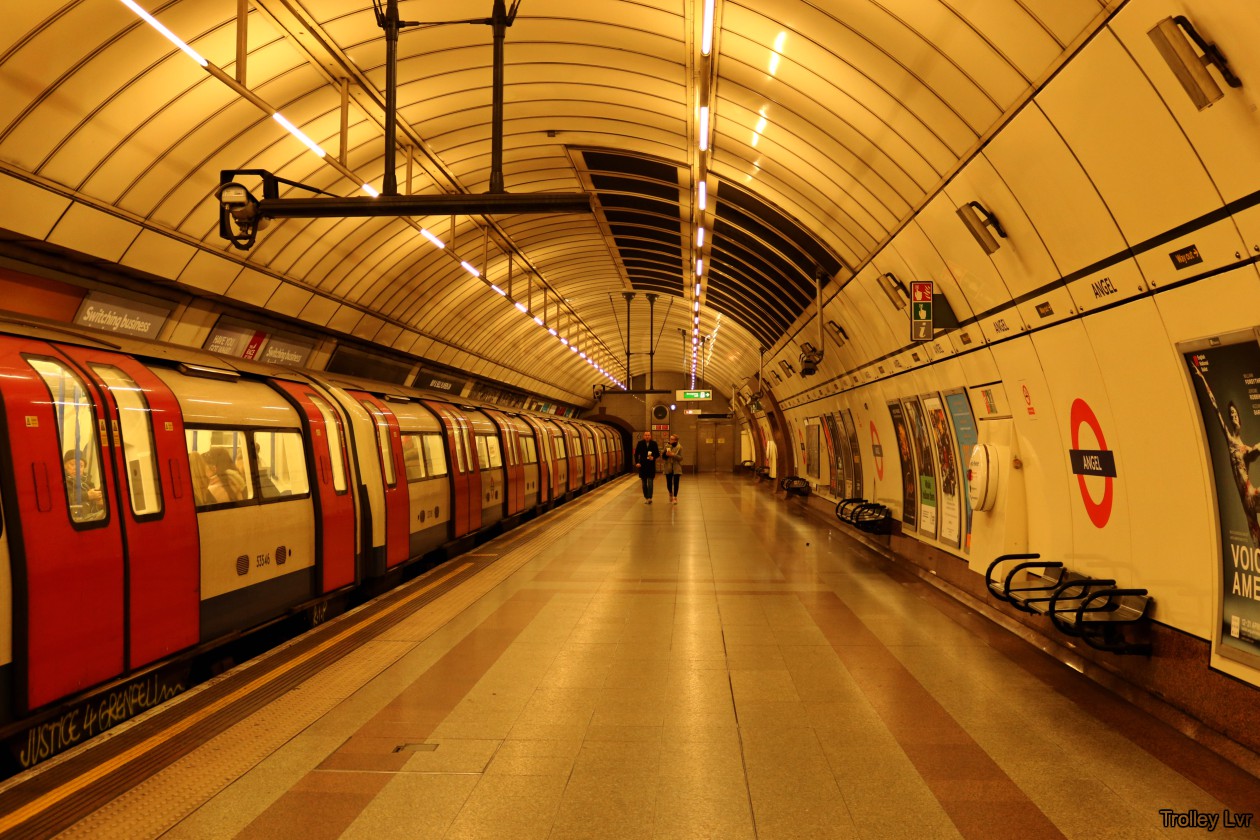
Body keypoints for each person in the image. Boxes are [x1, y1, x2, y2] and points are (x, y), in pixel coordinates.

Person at [1192, 360, 1260, 544]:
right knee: (1257, 538)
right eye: (1231, 416)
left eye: (1235, 414)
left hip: (1250, 493)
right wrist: (1203, 378)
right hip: (1244, 498)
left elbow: (1254, 451)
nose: (1233, 417)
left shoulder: (1246, 448)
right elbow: (1215, 408)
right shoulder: (1230, 441)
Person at [63, 450, 103, 515]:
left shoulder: (89, 483)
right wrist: (87, 495)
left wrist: (99, 505)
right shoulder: (61, 481)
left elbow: (93, 510)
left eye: (81, 466)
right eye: (72, 464)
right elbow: (65, 499)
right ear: (64, 466)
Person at [633, 430, 660, 504]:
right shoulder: (640, 443)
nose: (647, 436)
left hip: (651, 465)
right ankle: (646, 497)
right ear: (644, 436)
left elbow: (657, 454)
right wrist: (637, 462)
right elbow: (636, 454)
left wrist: (653, 457)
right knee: (644, 483)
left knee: (650, 482)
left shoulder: (654, 443)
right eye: (646, 435)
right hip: (642, 466)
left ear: (650, 436)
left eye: (648, 435)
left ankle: (650, 497)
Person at [660, 433, 683, 503]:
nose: (670, 440)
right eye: (670, 439)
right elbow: (663, 456)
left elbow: (681, 458)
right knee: (669, 483)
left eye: (672, 439)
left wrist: (673, 455)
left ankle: (675, 497)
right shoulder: (667, 446)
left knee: (676, 483)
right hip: (668, 467)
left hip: (676, 467)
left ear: (675, 440)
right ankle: (670, 493)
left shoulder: (679, 447)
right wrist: (666, 455)